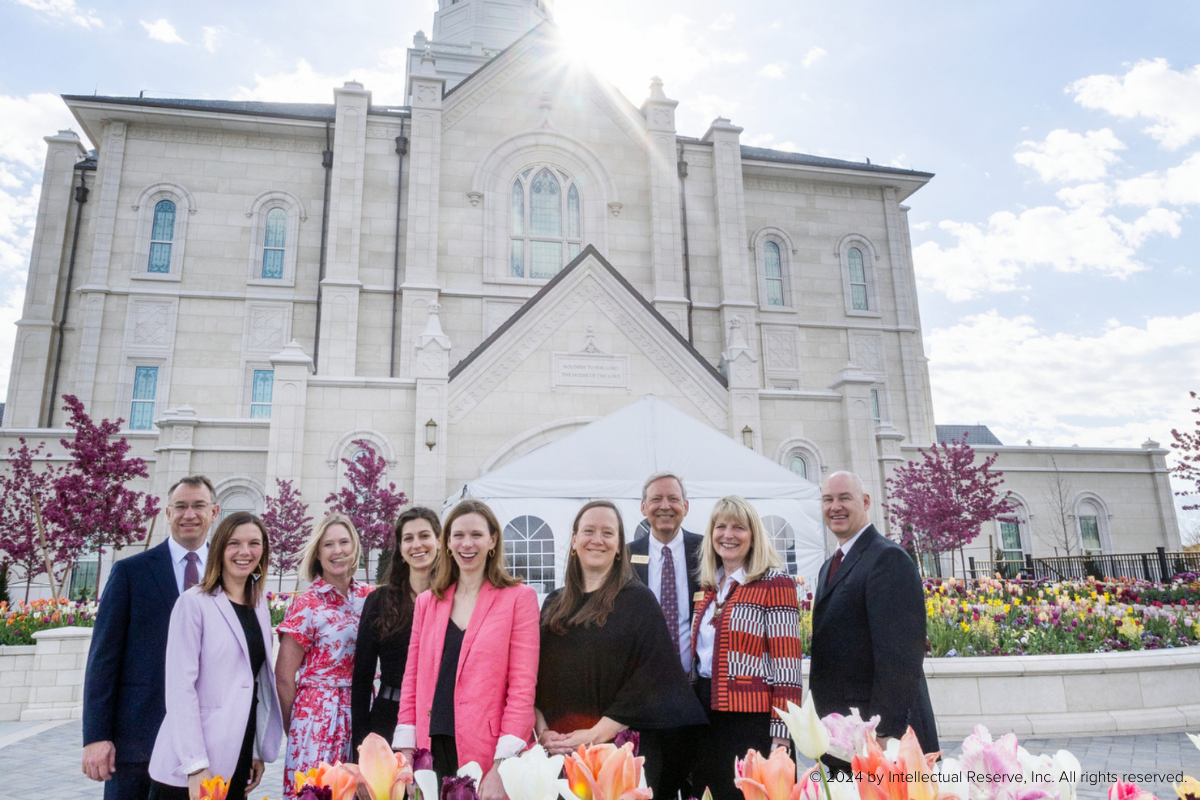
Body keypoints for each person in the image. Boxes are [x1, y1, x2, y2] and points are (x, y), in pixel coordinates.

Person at [536, 501, 707, 798]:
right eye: (588, 531)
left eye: (608, 533)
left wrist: (594, 734)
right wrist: (542, 731)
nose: (597, 539)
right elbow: (533, 675)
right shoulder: (554, 604)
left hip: (619, 753)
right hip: (558, 753)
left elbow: (653, 676)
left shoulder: (638, 601)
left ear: (619, 547)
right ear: (574, 540)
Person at [83, 475, 220, 800]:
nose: (190, 514)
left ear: (214, 512)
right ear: (167, 512)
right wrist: (96, 736)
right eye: (181, 506)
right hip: (138, 743)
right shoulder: (131, 572)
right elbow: (103, 660)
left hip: (209, 744)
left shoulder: (232, 573)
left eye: (199, 506)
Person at [394, 499, 539, 800]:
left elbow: (522, 689)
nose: (467, 544)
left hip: (488, 754)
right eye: (458, 535)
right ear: (447, 542)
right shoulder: (427, 602)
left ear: (493, 540)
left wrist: (503, 765)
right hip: (431, 749)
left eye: (476, 535)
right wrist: (406, 752)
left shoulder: (519, 599)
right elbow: (411, 681)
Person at [147, 512, 284, 800]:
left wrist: (255, 749)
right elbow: (180, 690)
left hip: (238, 752)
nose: (244, 552)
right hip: (192, 761)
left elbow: (254, 682)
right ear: (219, 548)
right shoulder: (193, 603)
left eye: (254, 543)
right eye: (234, 543)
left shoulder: (259, 605)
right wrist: (196, 766)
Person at [809, 471, 938, 772]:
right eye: (828, 499)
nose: (835, 507)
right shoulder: (831, 565)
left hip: (881, 741)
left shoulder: (887, 559)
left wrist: (884, 734)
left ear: (865, 502)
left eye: (844, 498)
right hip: (848, 736)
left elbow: (901, 658)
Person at [690, 496, 802, 800]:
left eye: (738, 527)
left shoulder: (774, 583)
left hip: (749, 721)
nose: (728, 534)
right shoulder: (707, 587)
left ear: (753, 536)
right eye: (720, 526)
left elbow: (788, 668)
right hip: (704, 715)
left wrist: (782, 735)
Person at [275, 513, 374, 798]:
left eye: (344, 542)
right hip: (317, 717)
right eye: (329, 545)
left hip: (362, 711)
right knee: (318, 791)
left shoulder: (370, 598)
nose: (338, 550)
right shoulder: (308, 604)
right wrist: (295, 725)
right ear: (318, 553)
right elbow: (283, 676)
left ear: (355, 547)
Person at [626, 472, 704, 800]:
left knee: (697, 785)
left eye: (673, 499)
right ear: (643, 507)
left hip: (697, 695)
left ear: (685, 506)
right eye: (656, 499)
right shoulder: (625, 556)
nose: (665, 506)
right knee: (651, 785)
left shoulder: (708, 549)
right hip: (645, 698)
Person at [351, 506, 441, 751]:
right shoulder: (379, 601)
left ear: (439, 542)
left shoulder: (454, 599)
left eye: (424, 536)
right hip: (388, 719)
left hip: (442, 721)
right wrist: (361, 745)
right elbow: (362, 679)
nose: (417, 545)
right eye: (408, 539)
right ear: (400, 549)